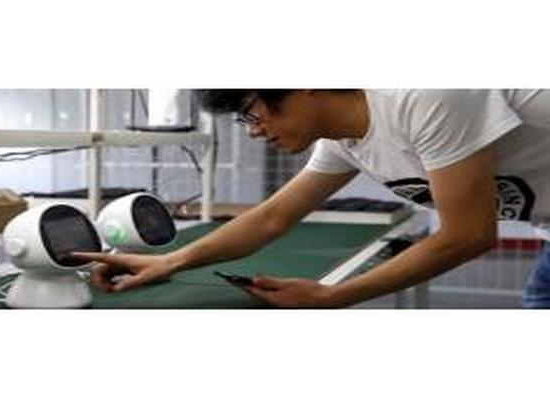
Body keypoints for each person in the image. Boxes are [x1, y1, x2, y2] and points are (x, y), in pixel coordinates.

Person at [75, 89, 550, 308]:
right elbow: (273, 217)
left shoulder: (425, 96)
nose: (253, 132)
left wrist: (335, 295)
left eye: (250, 113)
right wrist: (171, 261)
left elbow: (468, 235)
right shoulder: (342, 142)